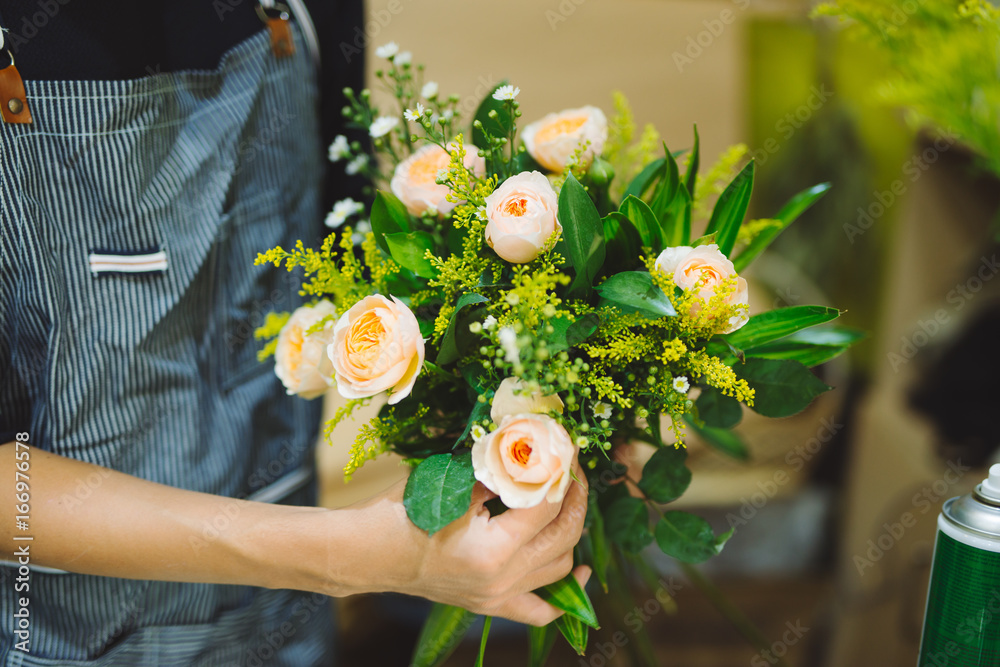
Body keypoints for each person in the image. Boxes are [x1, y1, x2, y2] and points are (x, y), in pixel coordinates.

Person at [0, 2, 589, 664]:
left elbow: (369, 267)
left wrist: (567, 392)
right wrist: (343, 555)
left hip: (284, 625)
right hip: (54, 638)